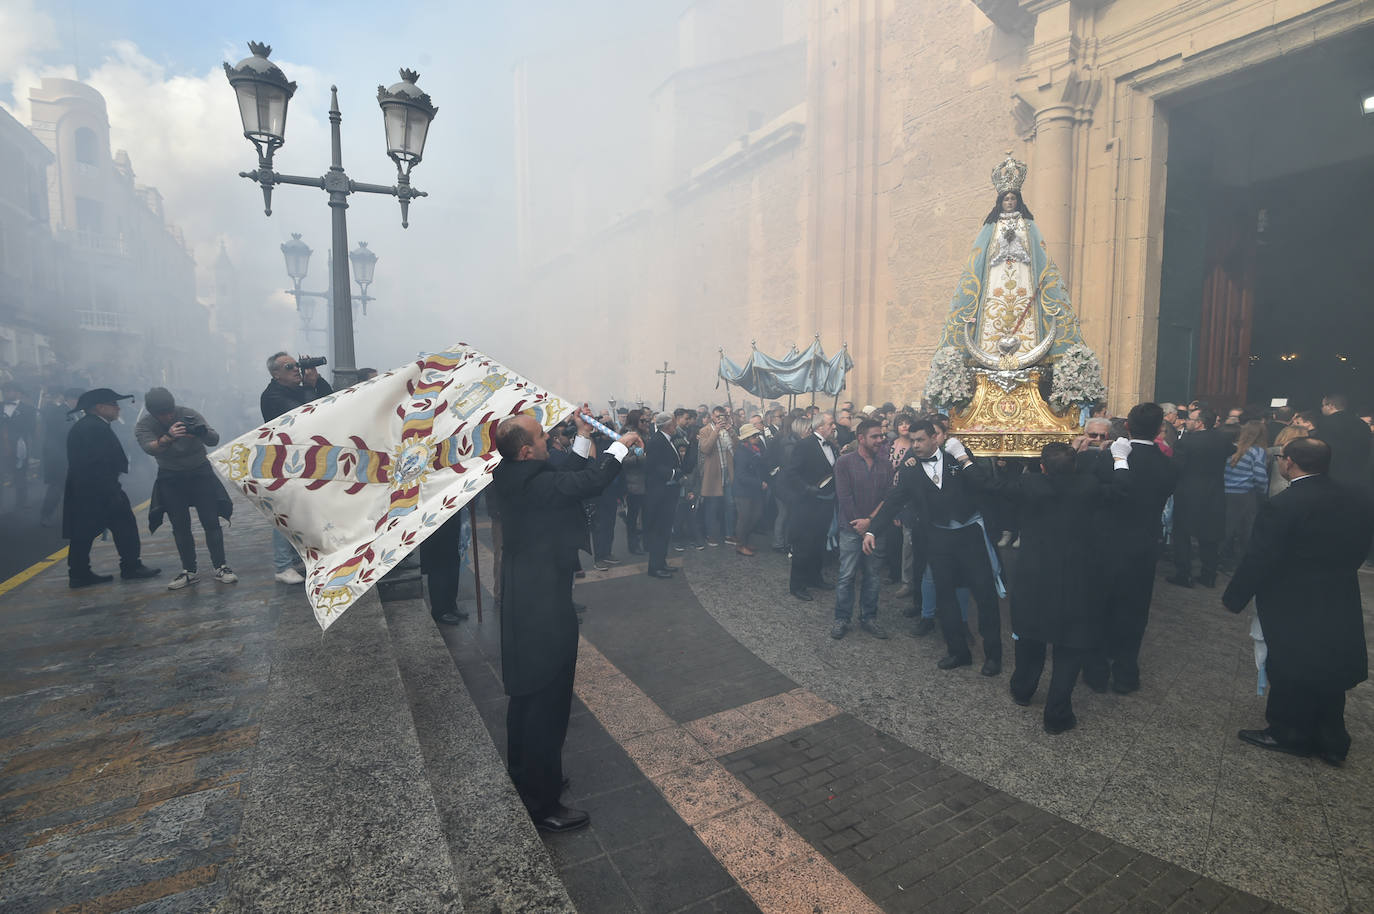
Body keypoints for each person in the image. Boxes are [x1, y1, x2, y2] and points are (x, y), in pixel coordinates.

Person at [493, 408, 639, 831]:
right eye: (541, 437)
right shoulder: (530, 483)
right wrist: (618, 447)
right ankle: (542, 804)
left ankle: (532, 779)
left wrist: (582, 435)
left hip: (531, 595)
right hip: (541, 606)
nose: (547, 439)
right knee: (545, 699)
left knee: (528, 701)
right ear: (526, 451)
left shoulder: (514, 473)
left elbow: (561, 474)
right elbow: (586, 482)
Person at [1223, 438, 1374, 765]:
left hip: (1292, 596)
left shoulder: (1284, 504)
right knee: (1327, 662)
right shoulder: (1356, 497)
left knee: (1289, 663)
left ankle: (1287, 731)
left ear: (1289, 462)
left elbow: (1261, 556)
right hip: (1337, 591)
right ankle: (1332, 737)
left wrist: (1236, 596)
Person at [1004, 439, 1132, 732]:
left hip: (1034, 577)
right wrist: (1120, 457)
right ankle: (1057, 714)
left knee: (1029, 637)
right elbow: (1122, 489)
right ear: (1075, 466)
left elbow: (991, 485)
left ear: (1041, 467)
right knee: (1070, 648)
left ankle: (1022, 690)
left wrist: (963, 459)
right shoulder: (1088, 486)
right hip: (1077, 579)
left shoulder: (1029, 484)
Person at [868, 421, 1004, 674]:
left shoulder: (958, 459)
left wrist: (962, 455)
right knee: (945, 596)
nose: (916, 445)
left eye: (920, 440)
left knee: (985, 595)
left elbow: (983, 484)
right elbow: (894, 501)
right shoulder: (910, 471)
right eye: (913, 441)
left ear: (935, 439)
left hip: (969, 535)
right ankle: (958, 651)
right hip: (938, 539)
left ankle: (994, 655)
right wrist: (872, 529)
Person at [1081, 403, 1178, 694]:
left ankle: (1096, 670)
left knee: (1099, 605)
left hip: (1105, 542)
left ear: (1127, 427)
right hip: (1143, 545)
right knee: (1134, 609)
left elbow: (1094, 496)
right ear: (1160, 429)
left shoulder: (1108, 458)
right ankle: (1125, 673)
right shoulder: (1169, 464)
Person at [135, 387, 236, 589]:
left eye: (170, 411)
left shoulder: (187, 414)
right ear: (154, 414)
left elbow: (214, 438)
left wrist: (201, 432)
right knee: (180, 525)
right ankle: (189, 570)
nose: (169, 416)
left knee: (211, 520)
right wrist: (169, 437)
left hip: (200, 471)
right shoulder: (145, 424)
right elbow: (149, 447)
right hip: (170, 475)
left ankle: (221, 566)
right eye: (163, 414)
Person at [63, 388, 160, 588]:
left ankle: (80, 572)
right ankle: (130, 567)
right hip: (98, 488)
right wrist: (109, 489)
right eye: (113, 404)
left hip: (90, 488)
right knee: (120, 525)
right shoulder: (93, 427)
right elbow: (97, 462)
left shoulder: (91, 425)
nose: (118, 408)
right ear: (99, 407)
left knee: (85, 531)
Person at [260, 352, 334, 583]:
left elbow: (331, 403)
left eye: (296, 365)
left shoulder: (298, 389)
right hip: (286, 462)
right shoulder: (272, 396)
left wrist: (317, 382)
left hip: (306, 460)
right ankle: (282, 566)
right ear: (276, 373)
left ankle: (297, 558)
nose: (296, 370)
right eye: (289, 366)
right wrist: (310, 388)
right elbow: (304, 417)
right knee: (286, 511)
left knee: (303, 511)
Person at [831, 419, 892, 640]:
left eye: (881, 435)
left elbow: (888, 498)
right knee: (846, 575)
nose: (880, 440)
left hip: (876, 530)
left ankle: (869, 618)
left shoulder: (886, 463)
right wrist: (860, 525)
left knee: (873, 575)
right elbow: (844, 498)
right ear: (861, 438)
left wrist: (870, 523)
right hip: (850, 529)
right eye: (875, 436)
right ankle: (842, 618)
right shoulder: (845, 462)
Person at [1169, 407, 1230, 587]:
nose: (1186, 421)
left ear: (1200, 423)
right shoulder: (1222, 439)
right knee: (1209, 535)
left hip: (1188, 493)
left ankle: (1183, 573)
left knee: (1182, 534)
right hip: (1214, 492)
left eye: (1190, 419)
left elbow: (1176, 468)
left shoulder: (1186, 442)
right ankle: (1208, 575)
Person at [783, 412, 838, 601]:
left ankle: (815, 577)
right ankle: (797, 585)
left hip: (826, 503)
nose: (834, 427)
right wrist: (807, 489)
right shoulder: (804, 445)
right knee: (803, 545)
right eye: (831, 424)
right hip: (807, 504)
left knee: (819, 542)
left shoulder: (831, 445)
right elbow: (791, 473)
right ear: (820, 426)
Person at [644, 411, 694, 578]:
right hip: (660, 493)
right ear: (667, 425)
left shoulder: (667, 439)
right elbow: (653, 467)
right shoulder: (656, 441)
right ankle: (655, 567)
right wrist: (674, 473)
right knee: (659, 530)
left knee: (665, 530)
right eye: (673, 423)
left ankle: (661, 562)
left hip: (668, 492)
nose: (675, 425)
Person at [1219, 419, 1269, 572]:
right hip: (1245, 495)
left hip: (1225, 492)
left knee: (1225, 528)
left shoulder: (1229, 449)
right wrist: (1263, 492)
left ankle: (1221, 560)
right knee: (1245, 531)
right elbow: (1260, 477)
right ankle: (1241, 564)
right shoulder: (1257, 451)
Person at [40, 388, 82, 525]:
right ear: (70, 399)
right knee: (57, 487)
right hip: (59, 457)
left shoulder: (77, 413)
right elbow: (63, 433)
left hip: (72, 456)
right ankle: (45, 515)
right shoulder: (59, 412)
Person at [420, 509, 469, 625]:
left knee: (452, 565)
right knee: (438, 568)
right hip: (436, 518)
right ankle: (439, 610)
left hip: (452, 514)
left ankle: (451, 605)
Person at [1314, 394, 1372, 489]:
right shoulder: (1362, 424)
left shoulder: (1326, 423)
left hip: (1333, 473)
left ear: (1331, 406)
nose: (1321, 408)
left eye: (1323, 405)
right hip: (1360, 472)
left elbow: (1321, 448)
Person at [731, 423, 767, 556]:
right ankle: (740, 545)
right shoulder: (741, 453)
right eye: (754, 436)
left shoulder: (755, 449)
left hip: (753, 489)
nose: (757, 437)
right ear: (747, 438)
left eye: (757, 435)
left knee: (756, 515)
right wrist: (759, 483)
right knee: (744, 518)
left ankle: (745, 540)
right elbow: (741, 476)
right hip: (743, 491)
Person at [2, 381, 37, 512]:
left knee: (20, 473)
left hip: (19, 444)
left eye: (9, 390)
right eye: (4, 390)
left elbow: (31, 429)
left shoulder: (28, 409)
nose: (6, 393)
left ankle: (22, 501)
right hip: (1, 444)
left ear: (18, 393)